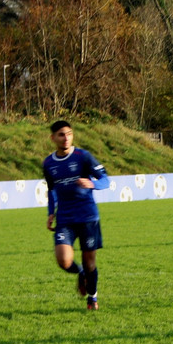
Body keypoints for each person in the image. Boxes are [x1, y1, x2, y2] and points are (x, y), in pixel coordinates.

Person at [43, 120, 110, 311]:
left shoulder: (83, 156)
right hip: (65, 218)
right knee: (64, 261)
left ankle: (92, 298)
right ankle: (80, 273)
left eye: (69, 134)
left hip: (88, 216)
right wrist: (50, 213)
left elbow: (105, 179)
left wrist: (93, 184)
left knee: (90, 262)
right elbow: (52, 189)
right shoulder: (48, 163)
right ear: (53, 138)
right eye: (61, 135)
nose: (66, 138)